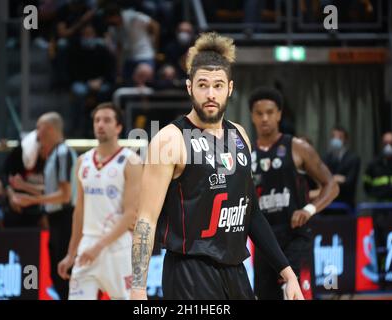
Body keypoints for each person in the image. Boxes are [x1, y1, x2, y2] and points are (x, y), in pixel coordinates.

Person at [130, 32, 304, 300]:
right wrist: (138, 288)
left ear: (230, 88)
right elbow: (145, 220)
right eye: (202, 85)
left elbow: (252, 214)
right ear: (189, 87)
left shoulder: (240, 135)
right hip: (189, 272)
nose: (210, 94)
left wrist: (288, 272)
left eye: (218, 85)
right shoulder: (170, 139)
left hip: (235, 270)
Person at [248, 86, 339, 300]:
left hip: (295, 236)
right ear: (252, 116)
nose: (265, 118)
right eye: (259, 113)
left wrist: (309, 209)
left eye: (270, 112)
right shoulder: (245, 153)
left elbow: (331, 185)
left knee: (297, 295)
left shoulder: (296, 147)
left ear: (279, 114)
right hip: (264, 241)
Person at [57, 103, 142, 300]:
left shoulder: (131, 161)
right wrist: (71, 253)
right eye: (97, 120)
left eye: (107, 120)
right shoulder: (82, 161)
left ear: (119, 127)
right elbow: (79, 211)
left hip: (118, 245)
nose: (100, 125)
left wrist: (99, 246)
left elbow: (131, 214)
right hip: (88, 244)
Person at [13, 112, 77, 300]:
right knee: (57, 273)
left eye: (39, 127)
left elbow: (64, 196)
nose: (37, 133)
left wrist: (31, 201)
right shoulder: (55, 154)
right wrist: (24, 187)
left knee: (64, 274)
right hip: (57, 220)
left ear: (49, 128)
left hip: (66, 219)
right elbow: (51, 190)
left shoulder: (63, 153)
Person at [323, 125, 360, 209]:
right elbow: (322, 180)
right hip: (327, 204)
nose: (336, 140)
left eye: (339, 137)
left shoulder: (353, 159)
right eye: (333, 137)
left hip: (346, 203)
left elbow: (350, 183)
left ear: (346, 140)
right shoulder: (325, 158)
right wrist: (337, 178)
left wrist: (330, 179)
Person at [364, 132, 392, 203]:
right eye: (385, 143)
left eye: (391, 143)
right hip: (379, 206)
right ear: (381, 144)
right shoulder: (373, 164)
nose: (388, 146)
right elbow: (366, 185)